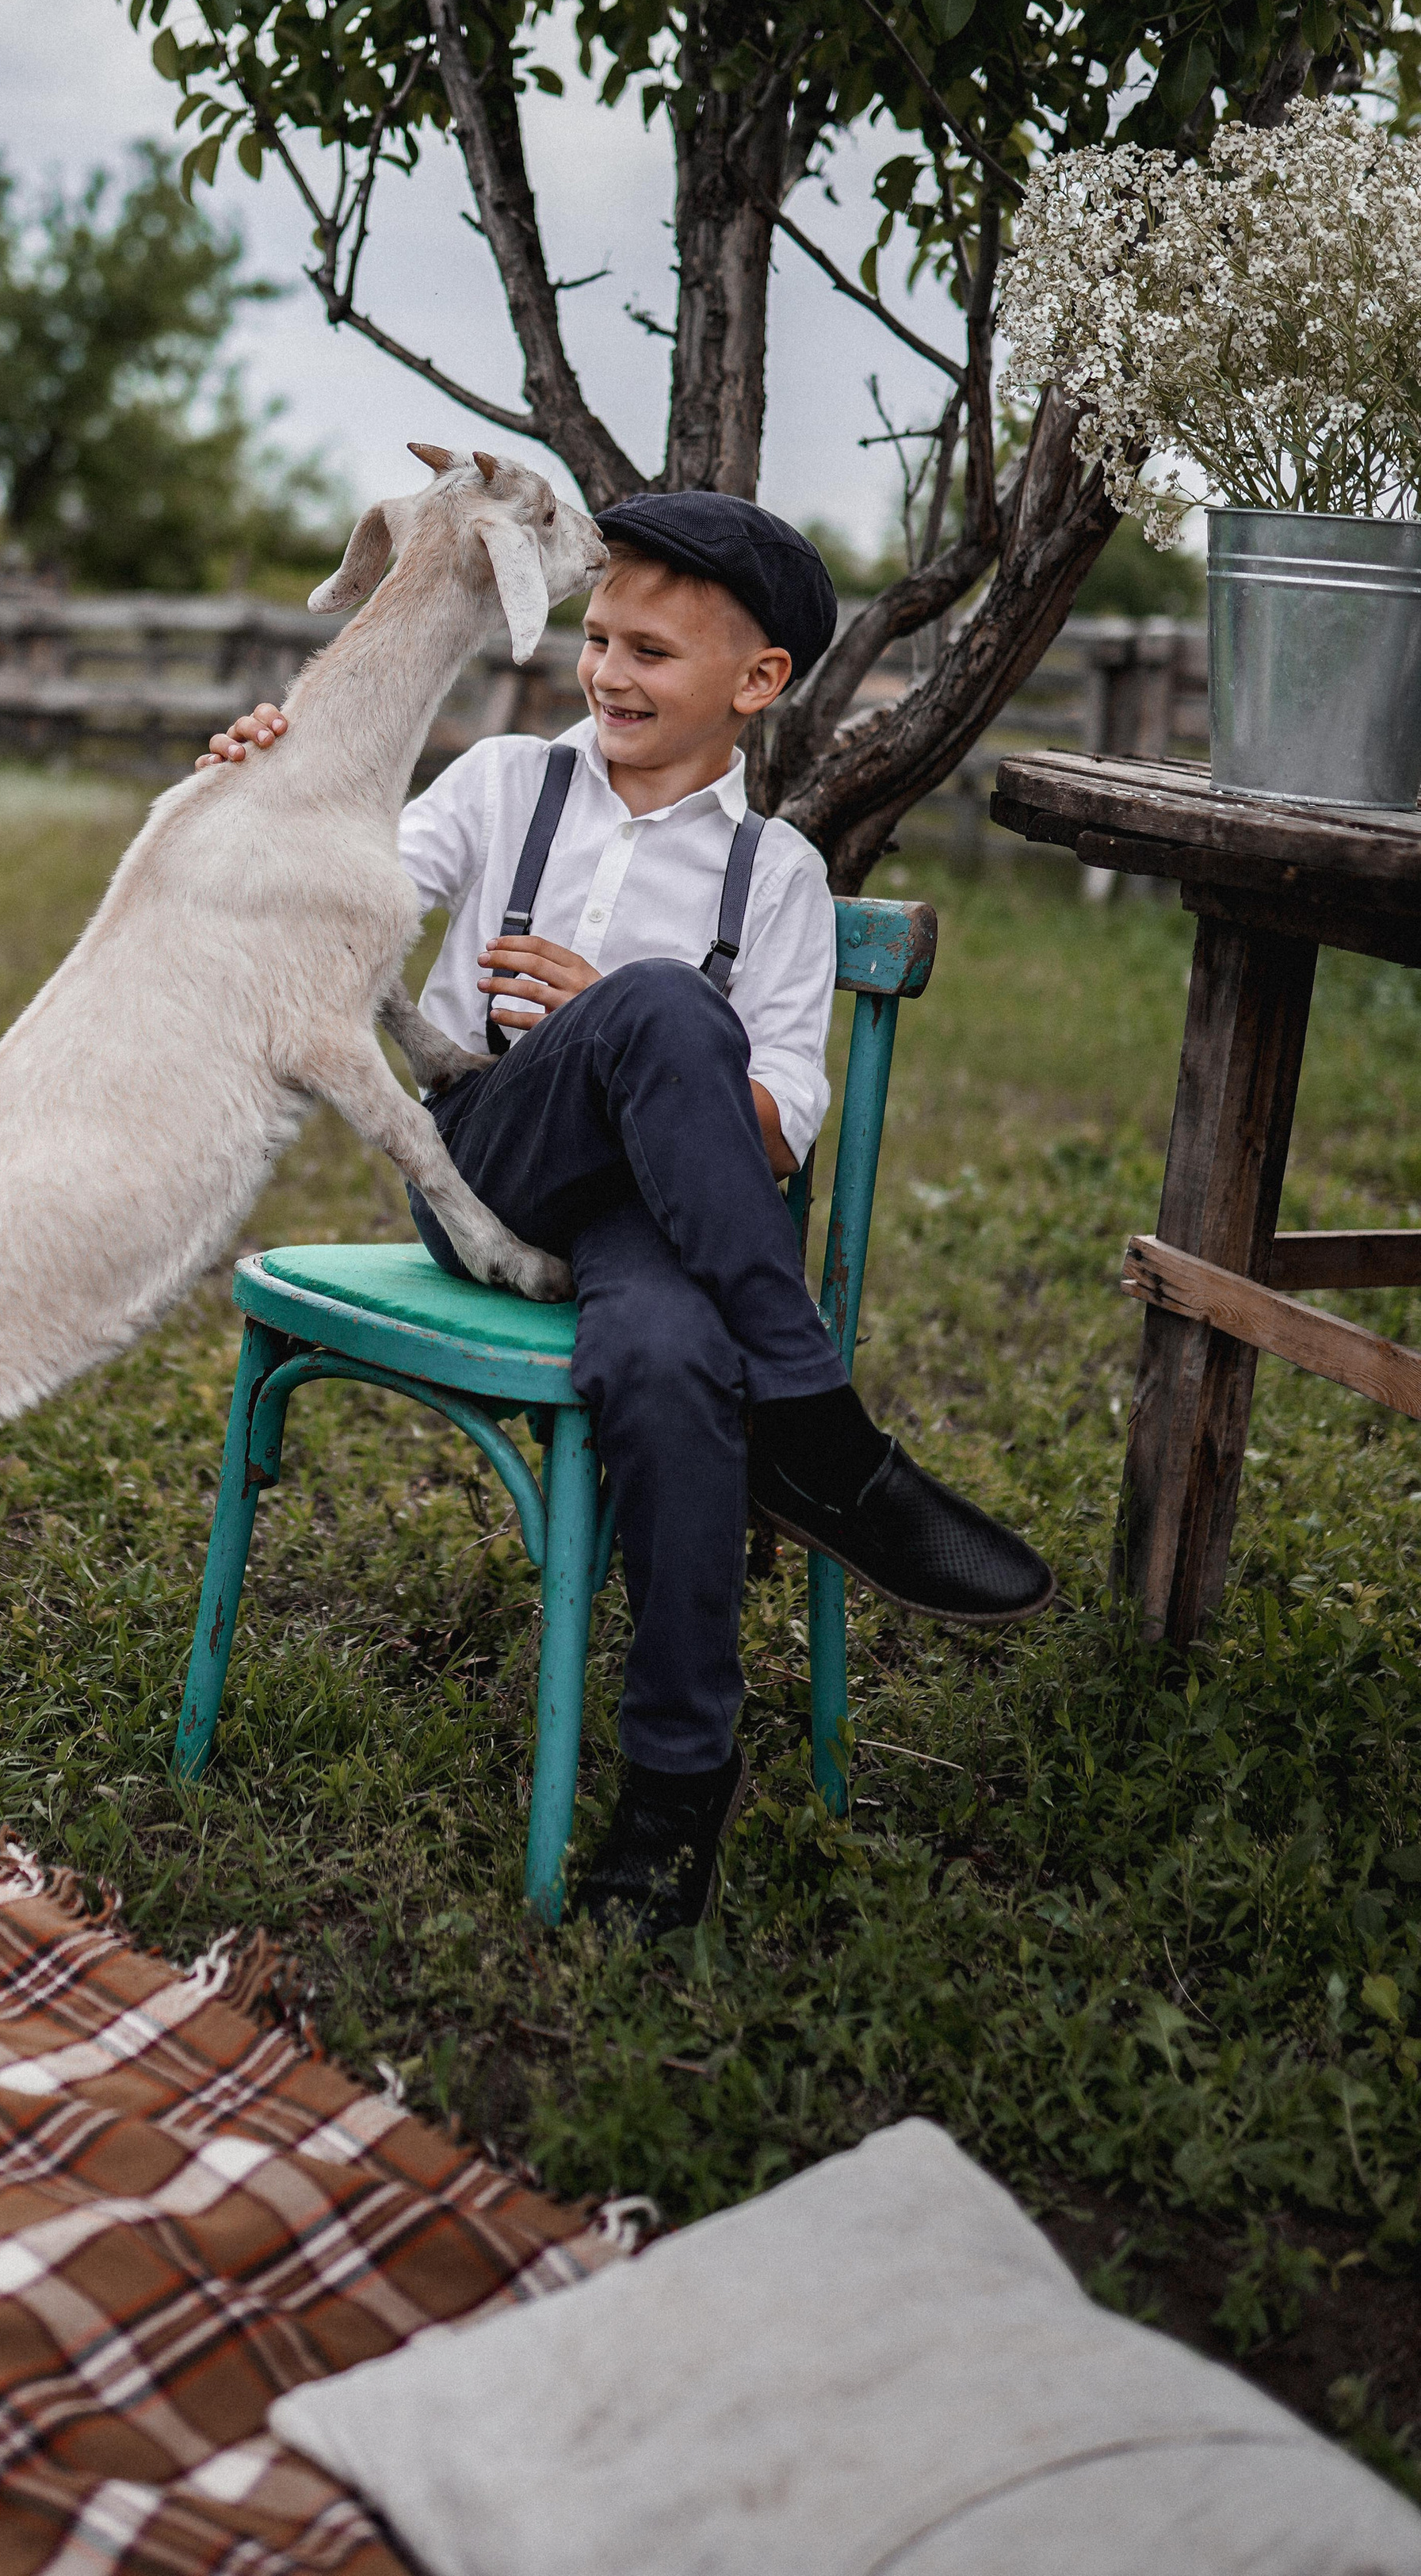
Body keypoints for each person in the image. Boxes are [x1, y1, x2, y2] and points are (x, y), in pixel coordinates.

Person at [199, 490, 1052, 1937]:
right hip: (492, 1164)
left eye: (652, 652)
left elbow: (781, 1120)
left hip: (665, 1229)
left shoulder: (774, 874)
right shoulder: (501, 787)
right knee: (662, 1007)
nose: (606, 673)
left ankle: (675, 1791)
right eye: (598, 639)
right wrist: (258, 793)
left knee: (666, 1353)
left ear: (758, 681)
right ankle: (821, 1425)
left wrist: (646, 1039)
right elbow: (340, 901)